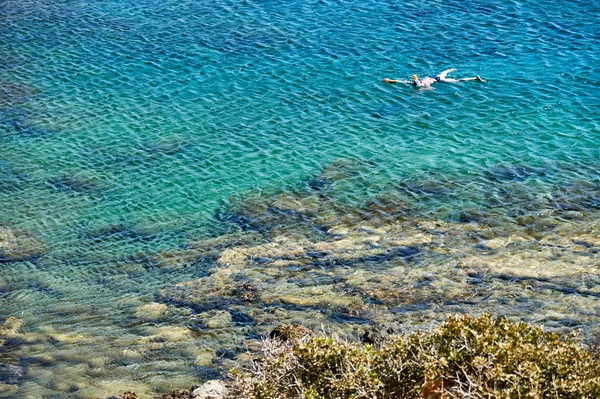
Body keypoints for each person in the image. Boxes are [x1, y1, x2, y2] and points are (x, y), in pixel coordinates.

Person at [383, 68, 484, 87]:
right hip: (435, 77)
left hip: (438, 80)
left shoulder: (423, 84)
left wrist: (429, 89)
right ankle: (450, 69)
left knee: (457, 81)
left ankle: (474, 78)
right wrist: (389, 80)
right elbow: (399, 81)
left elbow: (430, 88)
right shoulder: (415, 82)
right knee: (442, 73)